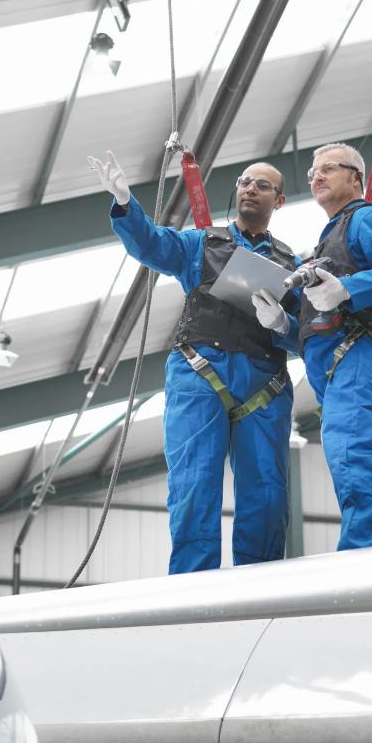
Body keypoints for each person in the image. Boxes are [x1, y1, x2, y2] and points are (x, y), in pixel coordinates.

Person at [89, 150, 299, 573]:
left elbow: (307, 335)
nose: (250, 188)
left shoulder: (292, 265)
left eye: (262, 185)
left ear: (279, 200)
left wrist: (284, 323)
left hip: (265, 383)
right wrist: (127, 207)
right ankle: (193, 590)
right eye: (244, 181)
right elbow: (152, 245)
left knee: (268, 494)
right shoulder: (202, 244)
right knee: (194, 486)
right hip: (201, 374)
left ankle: (263, 591)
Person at [294, 142, 372, 549]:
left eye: (329, 168)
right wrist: (282, 324)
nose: (318, 176)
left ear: (356, 178)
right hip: (344, 370)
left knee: (354, 464)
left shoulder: (366, 218)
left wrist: (347, 288)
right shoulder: (327, 243)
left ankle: (355, 576)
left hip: (361, 360)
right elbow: (319, 322)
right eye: (314, 171)